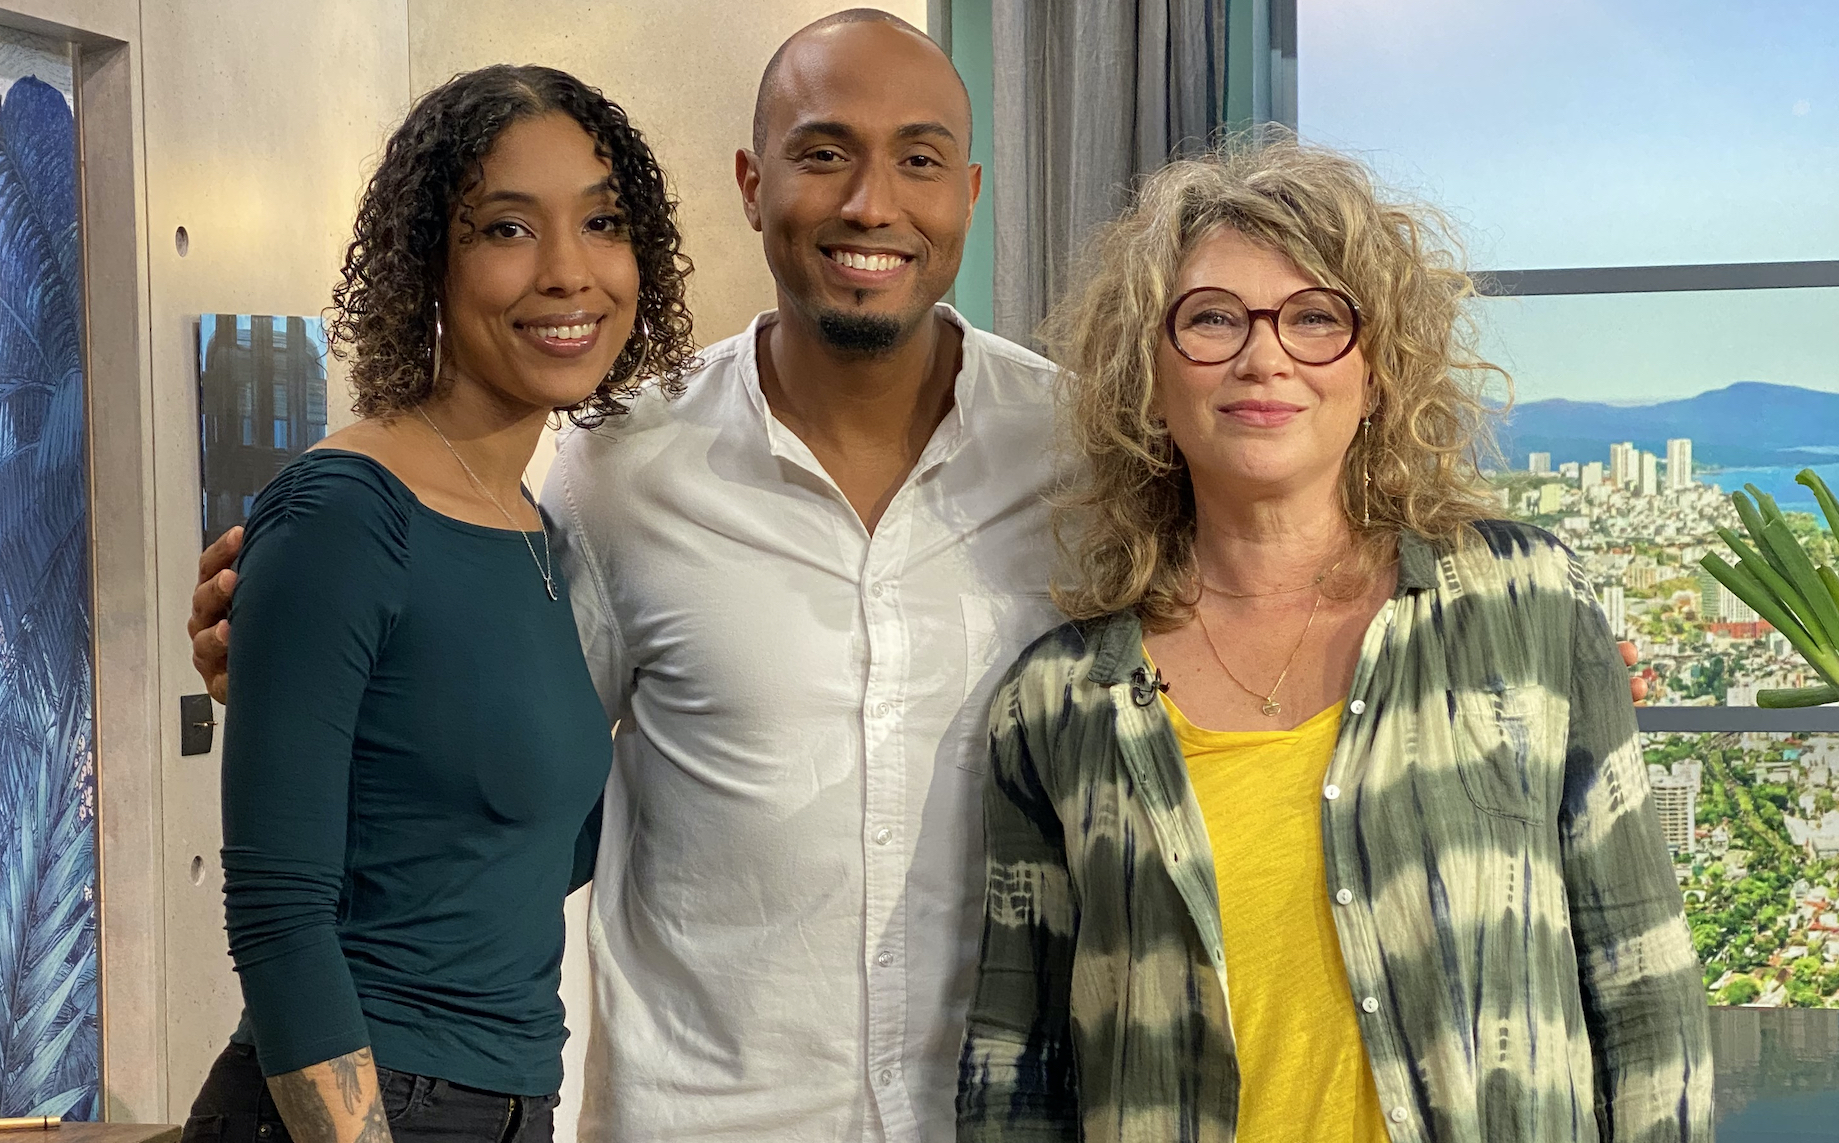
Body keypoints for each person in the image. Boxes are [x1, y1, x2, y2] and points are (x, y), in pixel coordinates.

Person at [185, 13, 1651, 1142]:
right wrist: (315, 668)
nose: (871, 201)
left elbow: (1287, 574)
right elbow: (513, 766)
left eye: (920, 159)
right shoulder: (611, 469)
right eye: (824, 152)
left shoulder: (1085, 455)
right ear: (754, 183)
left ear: (969, 192)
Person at [956, 140, 1712, 1143]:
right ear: (1149, 378)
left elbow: (1646, 990)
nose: (1264, 356)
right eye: (1212, 318)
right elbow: (1017, 1075)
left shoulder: (1525, 606)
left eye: (1315, 317)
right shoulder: (1057, 705)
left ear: (1378, 371)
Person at [183, 65, 694, 1143]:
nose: (568, 271)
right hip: (356, 1104)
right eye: (508, 229)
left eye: (602, 222)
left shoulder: (537, 531)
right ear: (428, 263)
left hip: (509, 1103)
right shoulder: (344, 510)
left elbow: (512, 851)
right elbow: (279, 919)